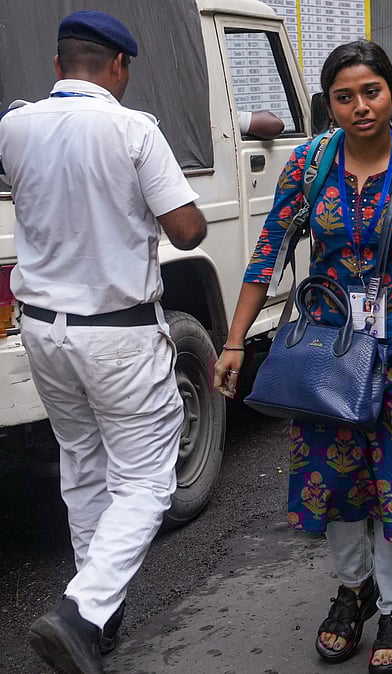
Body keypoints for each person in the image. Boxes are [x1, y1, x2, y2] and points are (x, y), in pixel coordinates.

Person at [213, 40, 392, 672]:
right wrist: (234, 341)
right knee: (332, 477)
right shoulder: (309, 165)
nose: (360, 106)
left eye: (371, 92)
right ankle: (353, 588)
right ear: (329, 105)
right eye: (344, 97)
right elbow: (267, 253)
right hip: (329, 352)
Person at [0, 11, 208, 673]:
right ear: (118, 66)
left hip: (42, 330)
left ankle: (99, 618)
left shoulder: (15, 125)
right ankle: (81, 612)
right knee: (146, 481)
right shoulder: (132, 129)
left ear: (59, 65)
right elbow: (187, 231)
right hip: (117, 335)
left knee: (84, 467)